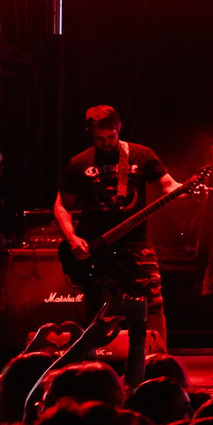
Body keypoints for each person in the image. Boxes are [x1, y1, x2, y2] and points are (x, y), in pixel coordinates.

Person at [52, 105, 180, 383]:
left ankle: (159, 368)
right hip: (95, 249)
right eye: (99, 139)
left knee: (153, 301)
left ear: (118, 128)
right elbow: (62, 205)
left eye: (110, 137)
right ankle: (92, 375)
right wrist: (72, 238)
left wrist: (180, 190)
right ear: (90, 134)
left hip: (135, 244)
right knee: (98, 309)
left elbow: (167, 183)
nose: (106, 143)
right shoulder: (79, 163)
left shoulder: (141, 155)